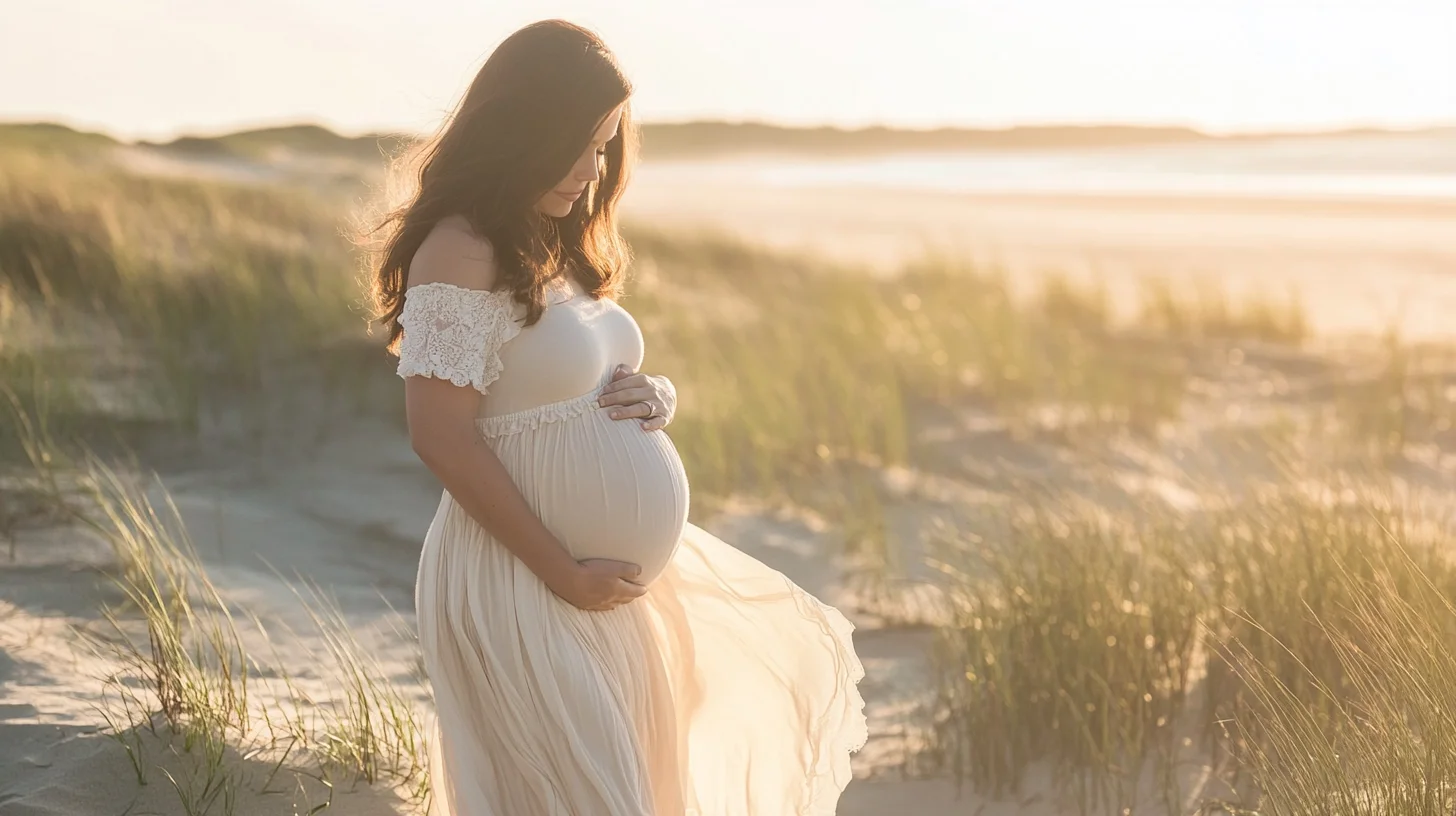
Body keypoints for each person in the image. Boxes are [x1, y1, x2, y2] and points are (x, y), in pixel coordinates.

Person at [369, 19, 866, 815]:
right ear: (521, 128)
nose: (590, 169)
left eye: (602, 146)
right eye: (576, 143)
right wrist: (560, 571)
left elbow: (565, 378)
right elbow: (440, 435)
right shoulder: (459, 248)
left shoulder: (552, 242)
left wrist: (652, 397)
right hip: (521, 577)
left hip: (600, 591)